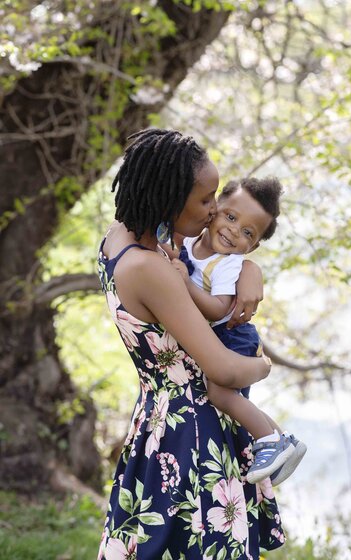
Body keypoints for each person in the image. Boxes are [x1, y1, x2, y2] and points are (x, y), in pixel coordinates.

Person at [97, 128, 285, 560]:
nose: (215, 209)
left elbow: (198, 257)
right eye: (205, 200)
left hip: (155, 422)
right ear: (170, 196)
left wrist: (247, 269)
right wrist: (262, 364)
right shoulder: (151, 270)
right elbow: (223, 370)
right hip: (192, 436)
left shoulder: (122, 239)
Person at [171, 177, 307, 486]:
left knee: (221, 394)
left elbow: (219, 309)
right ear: (215, 209)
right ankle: (284, 439)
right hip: (223, 336)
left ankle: (269, 441)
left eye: (247, 232)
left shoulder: (228, 264)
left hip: (234, 335)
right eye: (231, 217)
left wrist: (183, 284)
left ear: (253, 246)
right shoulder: (190, 243)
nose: (234, 230)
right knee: (232, 399)